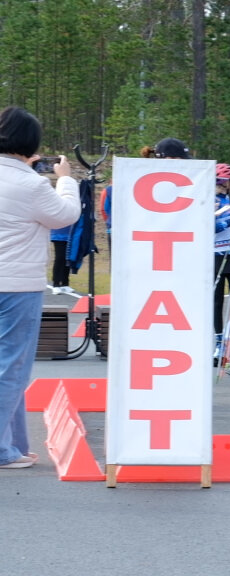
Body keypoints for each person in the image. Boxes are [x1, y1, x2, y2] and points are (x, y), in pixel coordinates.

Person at [0, 106, 82, 469]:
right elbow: (65, 215)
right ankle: (2, 450)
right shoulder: (31, 183)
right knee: (12, 368)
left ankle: (14, 445)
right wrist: (65, 178)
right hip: (16, 285)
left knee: (6, 369)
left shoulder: (22, 179)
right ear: (30, 144)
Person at [213, 162, 230, 366]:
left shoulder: (228, 198)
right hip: (215, 254)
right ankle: (218, 340)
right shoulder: (212, 200)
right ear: (224, 182)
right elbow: (210, 226)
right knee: (217, 301)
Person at [50, 223, 73, 294]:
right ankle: (56, 284)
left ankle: (65, 284)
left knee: (67, 258)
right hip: (58, 234)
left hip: (70, 233)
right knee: (60, 258)